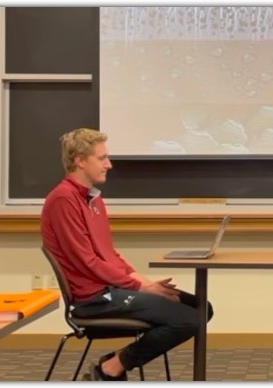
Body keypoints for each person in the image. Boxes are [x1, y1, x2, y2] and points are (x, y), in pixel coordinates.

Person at [41, 128, 214, 381]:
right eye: (101, 158)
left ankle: (114, 361)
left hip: (111, 288)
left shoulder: (94, 200)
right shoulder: (63, 200)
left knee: (201, 308)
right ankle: (112, 368)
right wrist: (140, 287)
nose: (108, 164)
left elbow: (109, 254)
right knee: (189, 320)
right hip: (94, 299)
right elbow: (88, 262)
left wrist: (145, 283)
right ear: (79, 160)